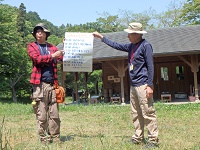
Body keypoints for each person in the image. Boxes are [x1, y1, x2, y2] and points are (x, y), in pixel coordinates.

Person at [93, 22, 159, 149]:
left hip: (143, 85)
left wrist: (150, 85)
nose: (127, 36)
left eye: (129, 33)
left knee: (148, 112)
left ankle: (153, 140)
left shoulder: (146, 46)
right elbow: (116, 45)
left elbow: (151, 66)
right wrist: (101, 37)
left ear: (136, 34)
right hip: (134, 85)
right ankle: (138, 137)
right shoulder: (131, 47)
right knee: (136, 113)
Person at [27, 23, 64, 144]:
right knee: (41, 115)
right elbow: (37, 59)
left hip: (52, 84)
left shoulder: (52, 47)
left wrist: (66, 45)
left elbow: (61, 58)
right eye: (37, 31)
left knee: (54, 114)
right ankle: (43, 138)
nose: (39, 33)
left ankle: (55, 137)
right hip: (39, 85)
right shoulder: (31, 46)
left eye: (41, 31)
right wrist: (52, 55)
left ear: (46, 34)